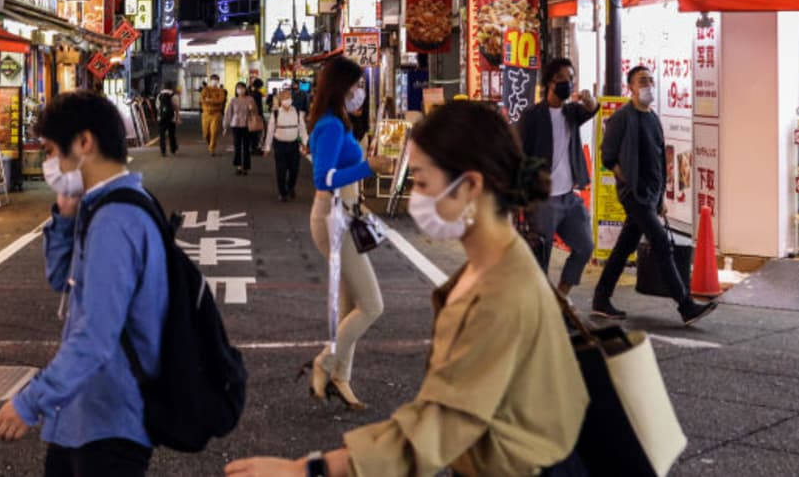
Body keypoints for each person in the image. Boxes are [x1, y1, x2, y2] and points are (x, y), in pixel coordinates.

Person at [227, 101, 587, 477]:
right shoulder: (492, 266)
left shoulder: (502, 292)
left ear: (469, 186)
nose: (415, 197)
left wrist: (308, 470)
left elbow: (435, 432)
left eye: (421, 181)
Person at [0, 90, 169, 476]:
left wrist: (29, 402)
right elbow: (63, 281)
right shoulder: (105, 205)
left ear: (84, 143)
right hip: (81, 413)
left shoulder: (116, 219)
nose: (50, 163)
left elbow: (96, 335)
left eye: (53, 151)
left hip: (109, 420)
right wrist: (65, 216)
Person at [593, 65, 717, 326]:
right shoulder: (622, 118)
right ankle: (685, 306)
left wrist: (661, 198)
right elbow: (607, 155)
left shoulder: (653, 118)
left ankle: (601, 299)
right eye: (642, 81)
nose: (648, 85)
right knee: (661, 241)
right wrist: (622, 176)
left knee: (624, 247)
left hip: (650, 195)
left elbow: (661, 159)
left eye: (650, 80)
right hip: (633, 194)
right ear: (631, 87)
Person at [305, 57, 391, 410]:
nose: (360, 92)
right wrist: (367, 166)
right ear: (342, 87)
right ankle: (326, 361)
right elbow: (322, 178)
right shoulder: (330, 125)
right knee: (372, 305)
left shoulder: (339, 121)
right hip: (334, 216)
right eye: (356, 86)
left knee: (350, 306)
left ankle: (341, 377)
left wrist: (363, 163)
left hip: (346, 213)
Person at [517, 58, 600, 299]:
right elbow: (520, 157)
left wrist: (589, 98)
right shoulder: (532, 115)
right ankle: (539, 313)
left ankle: (560, 298)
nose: (567, 84)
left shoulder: (571, 112)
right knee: (540, 259)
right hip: (542, 200)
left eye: (571, 79)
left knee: (584, 246)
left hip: (568, 197)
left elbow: (592, 109)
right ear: (549, 83)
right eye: (561, 79)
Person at [264, 87, 309, 202]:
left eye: (288, 97)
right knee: (281, 169)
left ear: (292, 99)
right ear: (280, 100)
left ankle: (291, 187)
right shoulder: (276, 113)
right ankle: (282, 192)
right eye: (284, 98)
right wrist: (267, 147)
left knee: (294, 169)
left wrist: (305, 143)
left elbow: (302, 129)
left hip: (294, 145)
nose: (286, 99)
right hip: (280, 145)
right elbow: (270, 132)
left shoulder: (298, 113)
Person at [225, 82, 258, 175]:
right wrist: (225, 126)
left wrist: (252, 109)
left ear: (245, 89)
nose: (241, 90)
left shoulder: (250, 99)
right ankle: (239, 166)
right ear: (236, 90)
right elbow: (229, 113)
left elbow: (256, 111)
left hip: (247, 125)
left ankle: (246, 167)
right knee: (237, 146)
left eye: (242, 88)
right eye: (238, 88)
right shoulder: (233, 100)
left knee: (246, 147)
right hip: (236, 125)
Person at [201, 76, 228, 155]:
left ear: (218, 81)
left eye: (216, 80)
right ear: (210, 81)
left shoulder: (221, 91)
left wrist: (209, 100)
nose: (214, 82)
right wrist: (213, 101)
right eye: (213, 80)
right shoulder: (205, 89)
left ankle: (212, 148)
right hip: (206, 113)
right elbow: (202, 100)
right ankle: (210, 143)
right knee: (206, 133)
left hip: (216, 114)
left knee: (214, 131)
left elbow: (221, 100)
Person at [156, 86, 179, 157]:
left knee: (162, 135)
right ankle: (173, 149)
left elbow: (157, 106)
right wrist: (177, 118)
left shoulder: (159, 95)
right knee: (171, 134)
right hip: (171, 118)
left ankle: (163, 151)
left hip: (161, 118)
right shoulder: (174, 95)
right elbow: (176, 107)